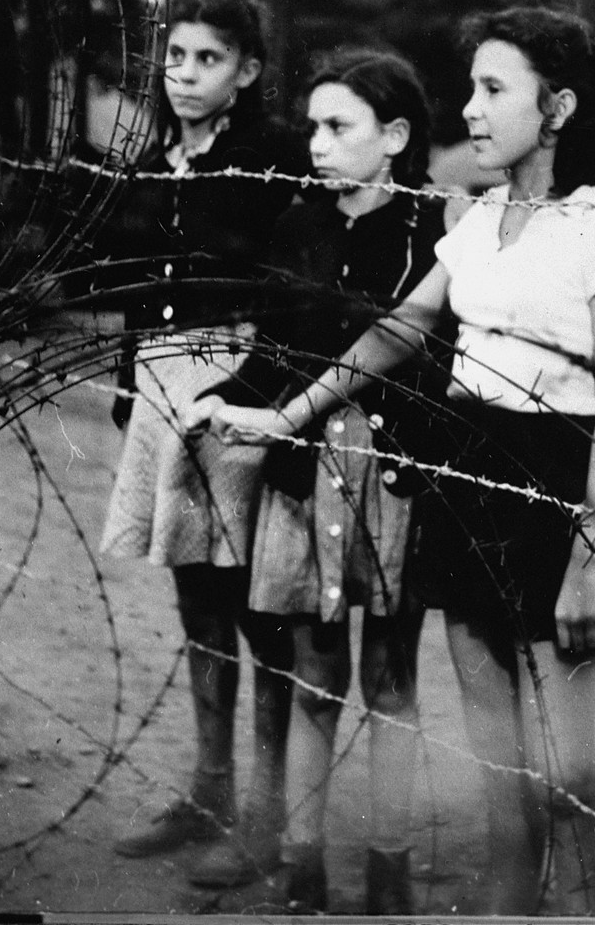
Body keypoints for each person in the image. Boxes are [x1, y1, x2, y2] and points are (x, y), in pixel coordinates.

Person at [208, 6, 595, 915]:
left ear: (556, 108)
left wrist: (591, 562)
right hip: (465, 480)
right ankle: (513, 904)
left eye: (493, 91)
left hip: (556, 493)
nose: (471, 112)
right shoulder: (477, 222)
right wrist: (288, 415)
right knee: (498, 763)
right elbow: (394, 335)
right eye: (470, 91)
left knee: (570, 767)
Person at [188, 49, 448, 912]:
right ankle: (304, 860)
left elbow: (418, 356)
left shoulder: (431, 231)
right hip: (305, 478)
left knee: (391, 675)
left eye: (340, 127)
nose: (318, 143)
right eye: (312, 126)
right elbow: (272, 349)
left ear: (397, 136)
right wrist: (221, 401)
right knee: (313, 670)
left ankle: (389, 864)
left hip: (393, 476)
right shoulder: (300, 222)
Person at [98, 0, 308, 886]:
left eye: (208, 59)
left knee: (254, 599)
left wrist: (244, 390)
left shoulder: (269, 161)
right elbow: (134, 288)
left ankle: (265, 812)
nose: (185, 75)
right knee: (194, 592)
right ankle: (208, 787)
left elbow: (290, 291)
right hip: (160, 383)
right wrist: (128, 385)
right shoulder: (150, 163)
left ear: (247, 70)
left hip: (238, 382)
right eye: (175, 57)